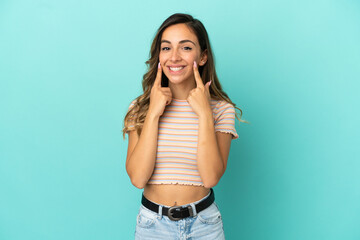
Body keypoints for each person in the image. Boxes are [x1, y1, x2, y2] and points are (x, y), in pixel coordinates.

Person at [123, 13, 244, 240]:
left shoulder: (221, 110)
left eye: (186, 48)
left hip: (204, 226)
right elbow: (138, 178)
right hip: (152, 227)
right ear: (159, 55)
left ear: (203, 56)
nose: (174, 57)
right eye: (166, 48)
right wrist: (153, 113)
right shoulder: (139, 108)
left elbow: (210, 178)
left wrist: (204, 114)